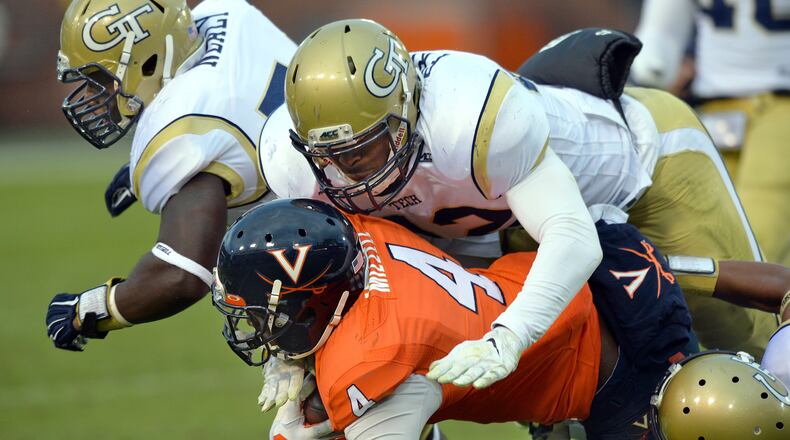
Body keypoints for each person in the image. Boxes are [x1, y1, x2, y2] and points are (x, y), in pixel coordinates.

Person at [257, 18, 775, 391]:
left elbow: (571, 237)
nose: (354, 169)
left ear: (408, 107)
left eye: (368, 144)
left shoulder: (475, 116)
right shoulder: (292, 160)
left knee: (745, 344)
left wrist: (507, 337)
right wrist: (290, 353)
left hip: (644, 167)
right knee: (578, 369)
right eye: (333, 154)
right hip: (516, 227)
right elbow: (322, 273)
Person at [211, 198, 790, 440]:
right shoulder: (356, 233)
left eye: (269, 314)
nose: (262, 325)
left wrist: (298, 408)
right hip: (597, 283)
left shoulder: (365, 352)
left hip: (600, 372)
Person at [45, 0, 295, 353]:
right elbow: (236, 113)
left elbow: (183, 273)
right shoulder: (224, 14)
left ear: (148, 61)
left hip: (342, 238)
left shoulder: (181, 131)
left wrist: (90, 308)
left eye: (100, 79)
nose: (92, 95)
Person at [631, 0, 790, 266]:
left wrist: (652, 67)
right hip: (711, 107)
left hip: (780, 107)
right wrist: (651, 69)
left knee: (761, 238)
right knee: (702, 225)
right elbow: (663, 31)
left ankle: (759, 304)